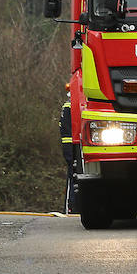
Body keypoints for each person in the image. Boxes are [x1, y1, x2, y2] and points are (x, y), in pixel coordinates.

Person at [59, 84, 77, 214]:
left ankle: (73, 206)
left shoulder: (69, 106)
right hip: (71, 147)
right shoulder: (70, 106)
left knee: (74, 177)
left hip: (71, 147)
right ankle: (70, 207)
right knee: (72, 177)